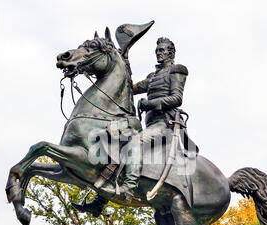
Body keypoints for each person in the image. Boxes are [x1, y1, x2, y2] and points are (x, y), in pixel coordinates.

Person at [73, 37, 189, 215]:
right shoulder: (152, 77)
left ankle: (129, 187)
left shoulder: (177, 70)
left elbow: (176, 98)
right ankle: (99, 202)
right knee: (115, 144)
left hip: (166, 124)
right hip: (149, 124)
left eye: (162, 50)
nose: (158, 53)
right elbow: (128, 86)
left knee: (134, 141)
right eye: (157, 50)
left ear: (170, 52)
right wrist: (121, 61)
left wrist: (149, 104)